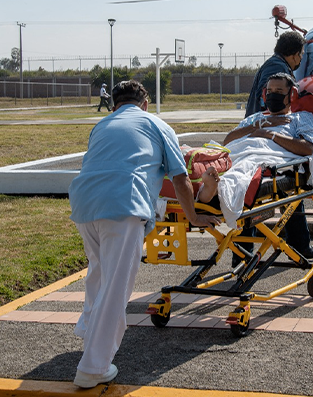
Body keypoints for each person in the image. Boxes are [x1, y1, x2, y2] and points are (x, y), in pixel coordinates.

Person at [69, 80, 220, 388]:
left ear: (114, 106)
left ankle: (89, 328)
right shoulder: (156, 123)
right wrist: (193, 217)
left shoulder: (101, 125)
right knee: (116, 287)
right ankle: (94, 367)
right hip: (123, 204)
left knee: (98, 272)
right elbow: (180, 180)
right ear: (146, 104)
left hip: (84, 203)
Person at [224, 72, 313, 261]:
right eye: (269, 91)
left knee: (277, 190)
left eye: (279, 91)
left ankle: (299, 246)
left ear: (292, 95)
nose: (272, 95)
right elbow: (228, 141)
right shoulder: (254, 120)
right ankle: (243, 256)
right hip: (242, 159)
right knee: (240, 182)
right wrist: (260, 126)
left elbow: (306, 148)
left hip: (274, 163)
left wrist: (270, 135)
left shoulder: (300, 119)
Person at [245, 31, 305, 117]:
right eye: (301, 54)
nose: (301, 58)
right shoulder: (276, 67)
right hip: (266, 125)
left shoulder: (277, 64)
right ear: (295, 55)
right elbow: (263, 95)